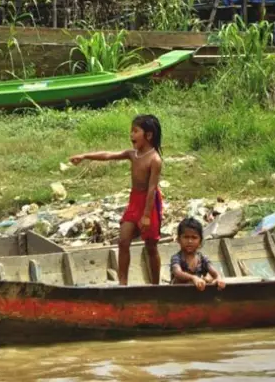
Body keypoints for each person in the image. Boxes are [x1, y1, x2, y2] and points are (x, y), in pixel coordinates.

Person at [69, 114, 164, 286]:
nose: (131, 135)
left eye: (135, 131)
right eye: (131, 131)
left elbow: (151, 189)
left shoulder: (155, 159)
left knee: (151, 246)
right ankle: (123, 284)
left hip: (149, 204)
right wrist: (84, 156)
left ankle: (156, 285)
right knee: (123, 241)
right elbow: (108, 155)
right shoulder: (132, 154)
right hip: (134, 201)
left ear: (148, 135)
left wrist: (147, 215)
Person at [170, 217, 225, 291]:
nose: (190, 241)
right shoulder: (176, 258)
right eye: (186, 237)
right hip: (179, 293)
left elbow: (214, 272)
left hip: (198, 292)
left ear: (200, 241)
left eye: (194, 238)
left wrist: (218, 278)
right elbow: (178, 273)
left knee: (209, 279)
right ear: (179, 239)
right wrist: (193, 278)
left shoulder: (202, 258)